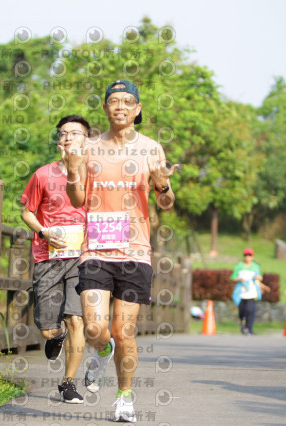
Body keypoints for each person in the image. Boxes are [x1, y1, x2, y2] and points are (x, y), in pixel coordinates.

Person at [63, 80, 179, 422]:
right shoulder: (89, 148)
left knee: (124, 331)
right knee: (98, 330)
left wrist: (162, 184)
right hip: (96, 249)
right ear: (105, 108)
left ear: (138, 109)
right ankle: (102, 351)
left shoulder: (152, 149)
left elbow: (167, 203)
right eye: (114, 101)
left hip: (136, 252)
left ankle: (125, 397)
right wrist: (72, 173)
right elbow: (77, 200)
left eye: (128, 101)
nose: (120, 106)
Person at [20, 114, 90, 404]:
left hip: (83, 258)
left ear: (87, 140)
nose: (68, 137)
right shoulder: (43, 174)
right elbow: (26, 212)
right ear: (58, 141)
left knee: (78, 320)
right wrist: (44, 232)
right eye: (63, 133)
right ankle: (56, 335)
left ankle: (68, 382)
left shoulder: (95, 174)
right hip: (48, 255)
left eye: (75, 133)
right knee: (49, 329)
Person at [231, 248, 270, 335]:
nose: (248, 257)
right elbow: (233, 277)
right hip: (241, 292)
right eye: (246, 255)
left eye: (249, 255)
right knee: (242, 311)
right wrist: (239, 279)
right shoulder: (239, 266)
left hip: (252, 292)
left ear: (252, 257)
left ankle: (249, 328)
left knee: (250, 310)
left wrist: (261, 282)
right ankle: (243, 324)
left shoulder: (256, 267)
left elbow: (260, 277)